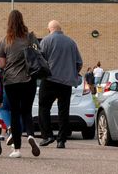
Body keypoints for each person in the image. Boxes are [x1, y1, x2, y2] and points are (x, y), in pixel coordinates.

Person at [0, 10, 40, 158]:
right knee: (26, 110)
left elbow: (2, 64)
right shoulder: (30, 38)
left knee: (15, 113)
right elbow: (38, 55)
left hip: (11, 81)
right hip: (29, 80)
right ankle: (30, 135)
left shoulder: (4, 41)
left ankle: (17, 149)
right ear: (22, 21)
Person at [38, 20, 83, 149]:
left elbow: (40, 61)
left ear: (49, 29)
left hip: (49, 80)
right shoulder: (71, 42)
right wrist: (72, 73)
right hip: (66, 82)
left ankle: (47, 135)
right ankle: (61, 140)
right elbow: (79, 63)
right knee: (64, 111)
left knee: (44, 107)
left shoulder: (46, 41)